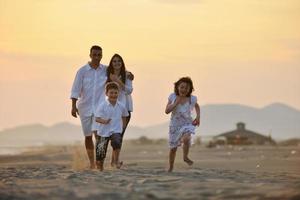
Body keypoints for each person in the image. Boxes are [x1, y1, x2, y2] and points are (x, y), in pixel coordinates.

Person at [70, 45, 107, 169]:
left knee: (99, 134)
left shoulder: (106, 70)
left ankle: (99, 162)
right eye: (94, 54)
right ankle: (92, 163)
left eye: (99, 55)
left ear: (101, 56)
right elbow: (75, 89)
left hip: (99, 107)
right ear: (90, 55)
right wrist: (73, 106)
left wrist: (129, 75)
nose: (97, 57)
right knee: (88, 136)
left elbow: (119, 70)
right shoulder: (82, 71)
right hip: (84, 107)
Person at [165, 77, 200, 172]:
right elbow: (167, 111)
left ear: (190, 89)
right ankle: (171, 167)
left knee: (186, 138)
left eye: (187, 88)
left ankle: (185, 157)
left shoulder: (192, 99)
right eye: (182, 87)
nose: (184, 89)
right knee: (173, 149)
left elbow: (197, 106)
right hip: (174, 126)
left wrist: (198, 117)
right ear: (177, 87)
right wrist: (175, 103)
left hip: (187, 124)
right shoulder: (172, 97)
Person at [94, 82, 129, 171]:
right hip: (103, 132)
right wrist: (104, 121)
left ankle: (115, 161)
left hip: (116, 130)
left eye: (115, 93)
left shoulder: (121, 106)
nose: (113, 95)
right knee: (100, 155)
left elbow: (124, 116)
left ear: (118, 93)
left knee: (117, 142)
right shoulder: (102, 106)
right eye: (111, 93)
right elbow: (97, 119)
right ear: (106, 93)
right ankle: (100, 168)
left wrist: (122, 128)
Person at [106, 54, 133, 165]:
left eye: (119, 61)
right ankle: (110, 160)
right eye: (114, 61)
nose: (117, 63)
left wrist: (118, 81)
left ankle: (115, 161)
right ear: (111, 63)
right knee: (111, 135)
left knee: (119, 135)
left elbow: (129, 90)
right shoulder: (107, 74)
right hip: (111, 109)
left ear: (122, 63)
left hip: (125, 109)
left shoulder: (127, 75)